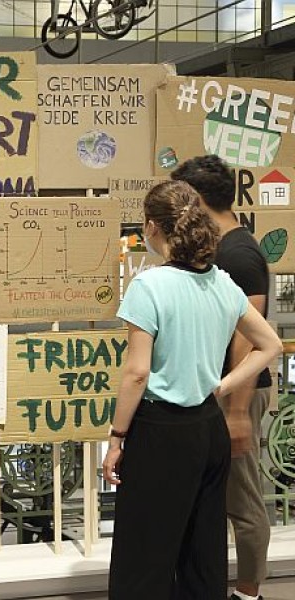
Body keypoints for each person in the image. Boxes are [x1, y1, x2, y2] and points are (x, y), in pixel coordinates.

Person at [103, 180, 281, 600]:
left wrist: (116, 438)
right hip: (208, 427)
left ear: (152, 226)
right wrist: (222, 385)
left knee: (144, 556)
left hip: (159, 431)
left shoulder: (148, 286)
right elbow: (270, 345)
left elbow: (137, 373)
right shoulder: (222, 283)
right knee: (203, 553)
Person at [172, 155, 273, 600]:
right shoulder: (223, 248)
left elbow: (250, 337)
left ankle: (248, 593)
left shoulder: (239, 253)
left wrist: (236, 412)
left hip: (237, 393)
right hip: (219, 392)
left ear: (195, 200)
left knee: (242, 500)